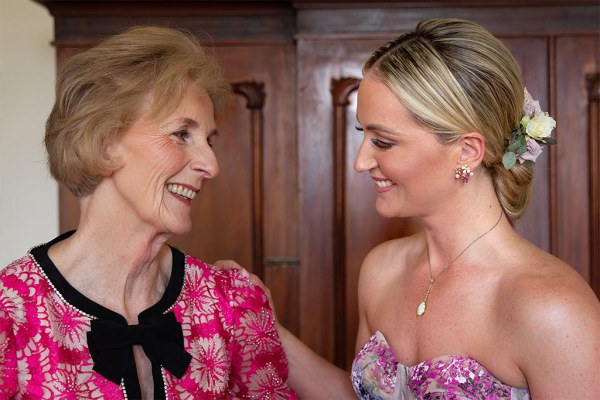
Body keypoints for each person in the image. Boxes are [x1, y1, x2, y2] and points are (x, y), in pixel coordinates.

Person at [230, 18, 600, 399]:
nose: (361, 162)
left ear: (468, 151)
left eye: (384, 142)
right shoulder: (381, 270)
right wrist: (266, 328)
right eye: (363, 135)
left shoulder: (553, 310)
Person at [0, 26, 295, 399]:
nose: (211, 165)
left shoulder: (229, 304)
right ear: (104, 141)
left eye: (209, 140)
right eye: (181, 134)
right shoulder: (11, 313)